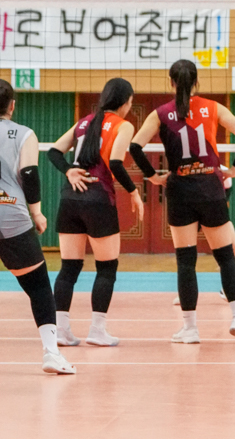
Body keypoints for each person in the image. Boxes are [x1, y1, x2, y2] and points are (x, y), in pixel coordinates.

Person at [128, 60, 235, 344]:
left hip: (179, 189)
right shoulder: (213, 107)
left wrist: (153, 176)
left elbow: (135, 147)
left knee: (186, 261)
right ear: (197, 82)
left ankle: (190, 329)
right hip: (210, 186)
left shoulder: (160, 113)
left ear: (171, 82)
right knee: (225, 257)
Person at [48, 77, 144, 348]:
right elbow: (116, 163)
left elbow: (54, 152)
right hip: (98, 200)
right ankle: (97, 331)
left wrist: (69, 170)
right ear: (126, 102)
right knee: (107, 268)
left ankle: (61, 331)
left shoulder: (83, 122)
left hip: (69, 199)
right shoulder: (124, 125)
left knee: (69, 267)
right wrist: (134, 192)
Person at [0, 79, 75, 374]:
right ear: (12, 105)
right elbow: (29, 173)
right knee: (39, 286)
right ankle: (51, 354)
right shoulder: (24, 133)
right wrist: (37, 213)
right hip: (10, 215)